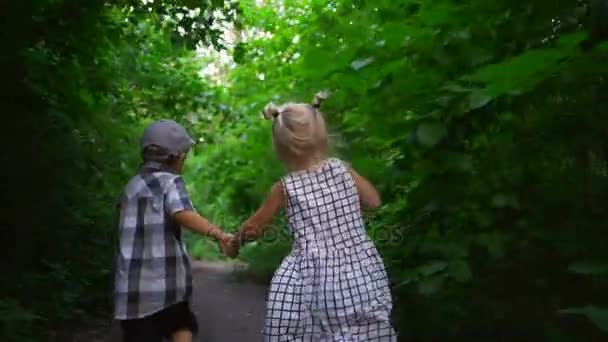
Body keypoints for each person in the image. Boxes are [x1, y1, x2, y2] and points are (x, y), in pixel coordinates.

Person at [224, 93, 397, 341]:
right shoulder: (341, 170)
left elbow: (254, 227)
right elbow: (373, 202)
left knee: (307, 331)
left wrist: (235, 243)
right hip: (359, 274)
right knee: (363, 332)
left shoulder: (285, 187)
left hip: (312, 280)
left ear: (281, 148)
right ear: (322, 135)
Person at [114, 119, 233, 342]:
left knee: (143, 334)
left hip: (131, 292)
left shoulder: (129, 188)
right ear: (177, 156)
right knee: (181, 323)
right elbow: (183, 213)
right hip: (166, 286)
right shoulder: (170, 182)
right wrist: (218, 234)